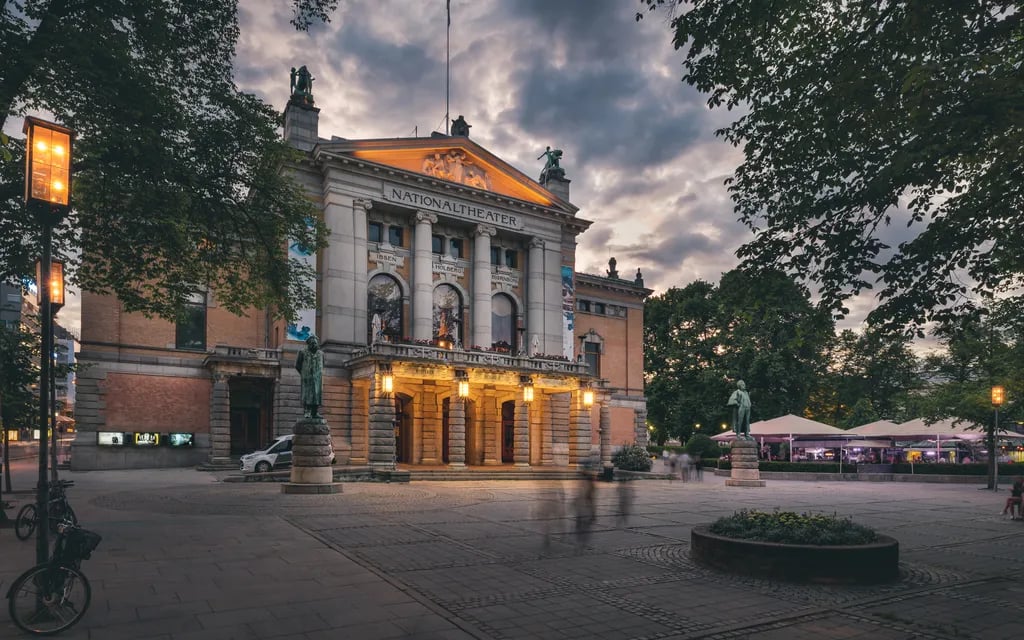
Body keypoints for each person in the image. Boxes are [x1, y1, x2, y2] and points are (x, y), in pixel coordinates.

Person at [295, 335, 324, 418]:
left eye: (316, 343)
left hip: (318, 379)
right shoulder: (302, 352)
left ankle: (315, 412)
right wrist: (304, 374)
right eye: (312, 343)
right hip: (307, 378)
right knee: (307, 395)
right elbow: (297, 365)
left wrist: (318, 374)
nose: (314, 345)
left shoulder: (321, 354)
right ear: (309, 344)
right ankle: (307, 411)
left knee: (317, 395)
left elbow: (323, 365)